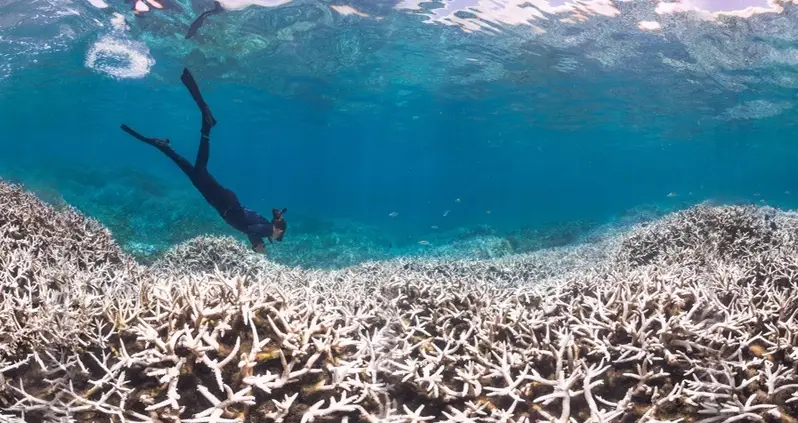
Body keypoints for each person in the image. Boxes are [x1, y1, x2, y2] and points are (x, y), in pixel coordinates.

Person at [120, 68, 286, 253]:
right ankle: (206, 125)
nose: (276, 238)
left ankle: (166, 148)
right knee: (199, 170)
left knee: (194, 175)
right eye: (279, 237)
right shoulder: (268, 229)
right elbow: (250, 229)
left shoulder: (267, 226)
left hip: (225, 203)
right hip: (226, 204)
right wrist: (258, 243)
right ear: (278, 231)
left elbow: (250, 228)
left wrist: (255, 244)